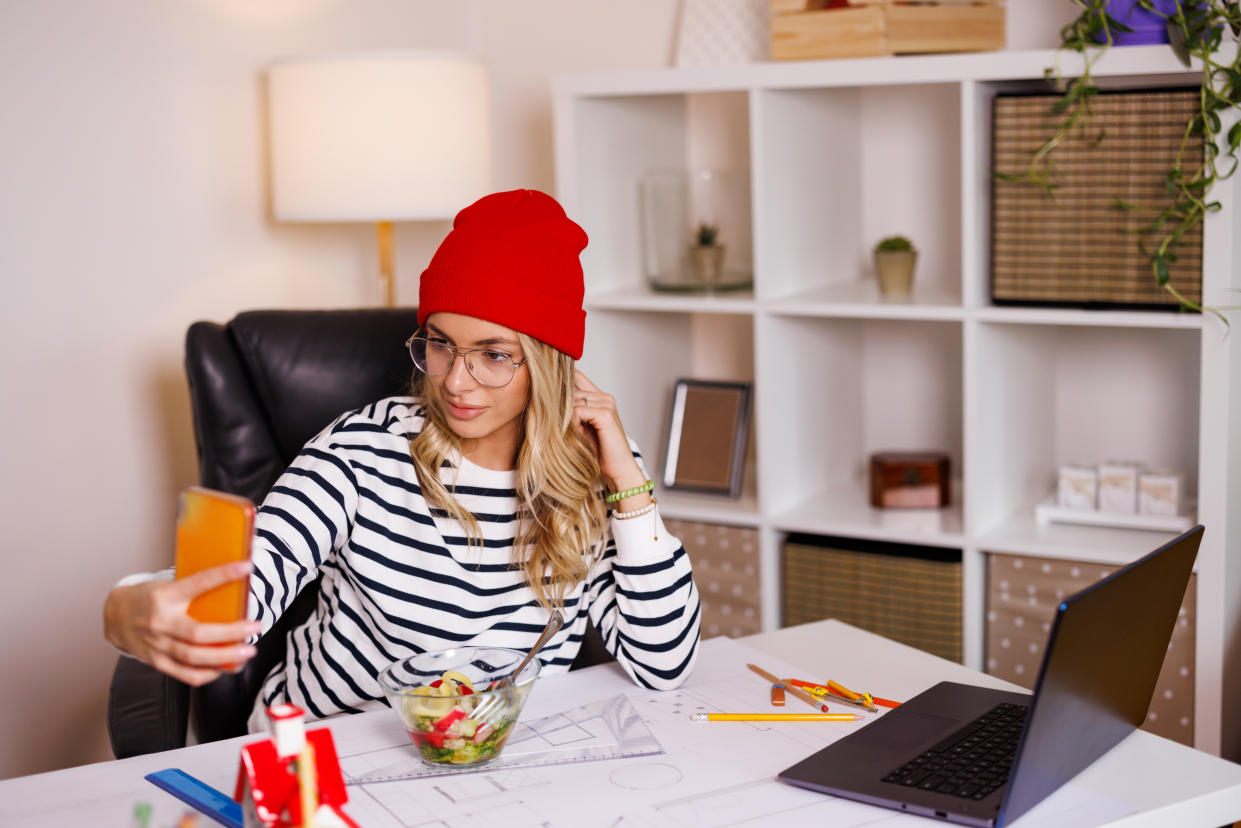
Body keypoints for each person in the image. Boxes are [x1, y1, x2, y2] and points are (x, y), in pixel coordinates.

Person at [103, 189, 702, 730]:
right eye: (440, 344)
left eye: (493, 355)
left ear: (548, 365)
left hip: (498, 761)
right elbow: (244, 584)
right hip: (330, 752)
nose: (457, 382)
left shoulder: (590, 471)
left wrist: (628, 481)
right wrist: (131, 607)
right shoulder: (361, 451)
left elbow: (664, 664)